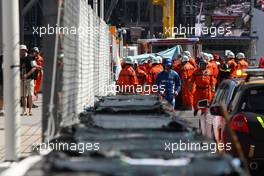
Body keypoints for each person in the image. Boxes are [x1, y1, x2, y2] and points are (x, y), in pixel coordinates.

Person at [20, 45, 37, 116]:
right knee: (23, 95)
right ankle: (24, 110)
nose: (22, 51)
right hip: (22, 79)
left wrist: (27, 74)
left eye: (23, 50)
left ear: (26, 50)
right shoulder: (18, 58)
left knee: (30, 95)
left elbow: (34, 67)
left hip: (29, 79)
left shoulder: (31, 57)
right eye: (21, 50)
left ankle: (30, 110)